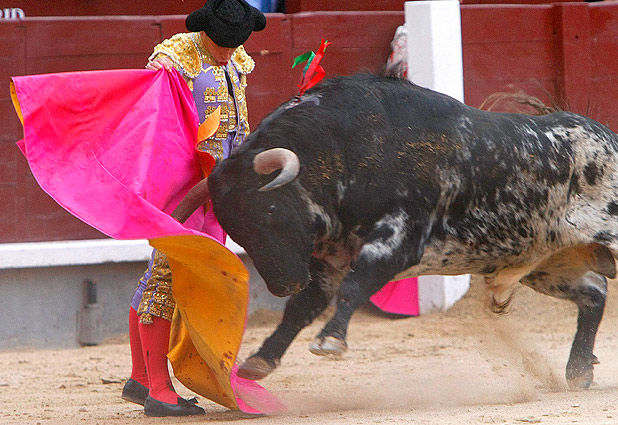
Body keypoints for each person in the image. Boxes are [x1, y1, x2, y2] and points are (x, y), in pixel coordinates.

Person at [120, 0, 266, 417]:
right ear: (205, 32)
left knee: (174, 273)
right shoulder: (176, 55)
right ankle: (159, 391)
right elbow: (153, 104)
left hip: (218, 187)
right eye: (221, 45)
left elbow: (237, 125)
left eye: (234, 45)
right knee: (166, 276)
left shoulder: (235, 55)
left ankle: (141, 377)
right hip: (182, 181)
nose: (228, 52)